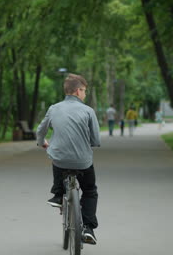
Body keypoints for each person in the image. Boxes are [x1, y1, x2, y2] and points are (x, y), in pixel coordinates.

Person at [36, 73, 101, 245]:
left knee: (56, 156)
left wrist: (42, 143)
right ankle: (88, 228)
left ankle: (58, 195)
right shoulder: (88, 111)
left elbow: (40, 131)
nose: (85, 94)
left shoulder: (54, 108)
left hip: (60, 159)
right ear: (78, 91)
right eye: (85, 91)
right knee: (90, 191)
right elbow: (95, 140)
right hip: (83, 161)